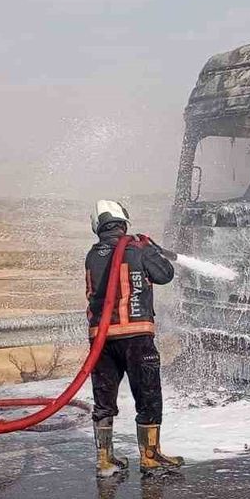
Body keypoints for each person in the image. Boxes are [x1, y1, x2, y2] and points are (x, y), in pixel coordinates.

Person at [86, 200, 183, 477]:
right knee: (148, 395)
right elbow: (165, 275)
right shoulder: (137, 248)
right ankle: (150, 456)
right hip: (136, 337)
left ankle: (104, 460)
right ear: (123, 221)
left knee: (104, 400)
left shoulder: (92, 254)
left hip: (101, 340)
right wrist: (151, 251)